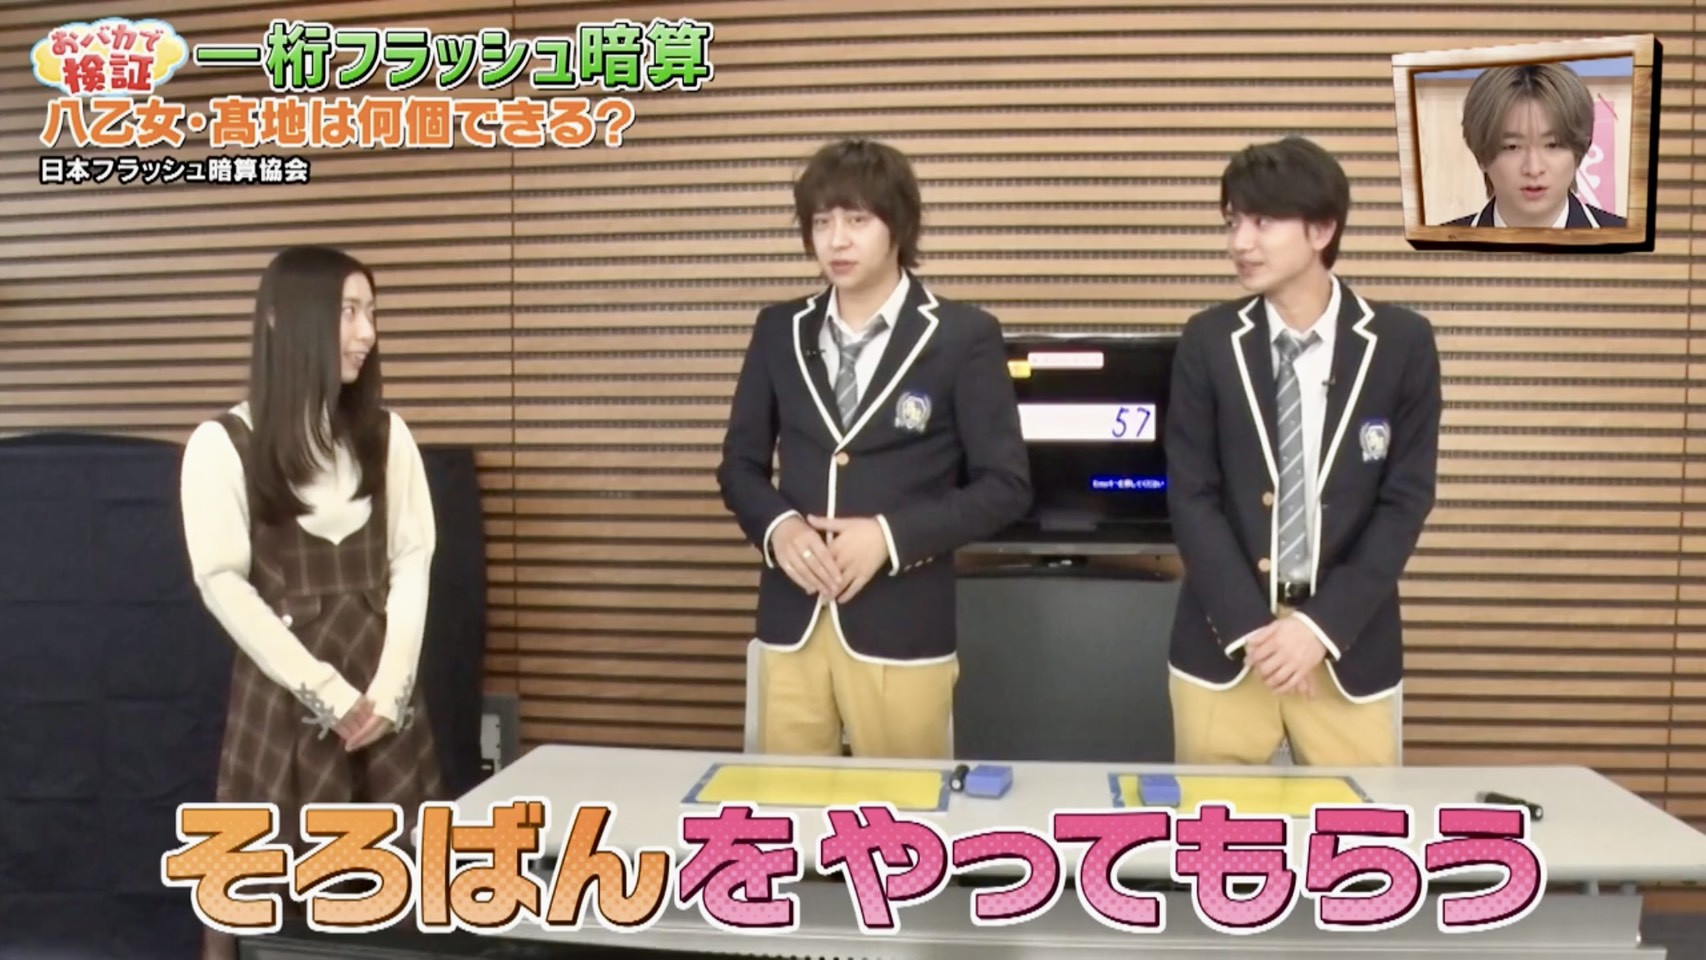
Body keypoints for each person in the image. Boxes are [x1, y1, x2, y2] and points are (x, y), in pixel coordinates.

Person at [716, 138, 1031, 760]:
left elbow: (1005, 486)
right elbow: (739, 465)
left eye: (857, 220)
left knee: (905, 808)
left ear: (899, 225)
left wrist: (889, 537)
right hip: (792, 622)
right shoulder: (779, 330)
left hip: (902, 625)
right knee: (784, 805)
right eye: (822, 222)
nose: (837, 240)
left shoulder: (963, 335)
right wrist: (780, 530)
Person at [180, 246, 443, 956]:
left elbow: (412, 561)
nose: (367, 334)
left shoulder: (387, 436)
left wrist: (389, 692)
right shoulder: (223, 445)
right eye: (347, 312)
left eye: (371, 313)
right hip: (285, 704)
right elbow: (222, 584)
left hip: (384, 710)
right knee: (256, 897)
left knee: (399, 897)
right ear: (280, 321)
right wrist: (327, 692)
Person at [1163, 136, 1441, 767]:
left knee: (1359, 826)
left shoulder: (1401, 344)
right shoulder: (1209, 341)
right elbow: (1192, 496)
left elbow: (1405, 502)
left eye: (1263, 221)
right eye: (1232, 222)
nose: (1240, 242)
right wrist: (1254, 631)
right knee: (1214, 823)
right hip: (1227, 645)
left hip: (1347, 646)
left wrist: (1317, 628)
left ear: (1321, 229)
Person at [1445, 62, 1626, 228]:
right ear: (1482, 156)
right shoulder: (1438, 247)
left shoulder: (1631, 245)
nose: (1533, 169)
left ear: (1579, 151)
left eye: (1552, 145)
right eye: (1512, 147)